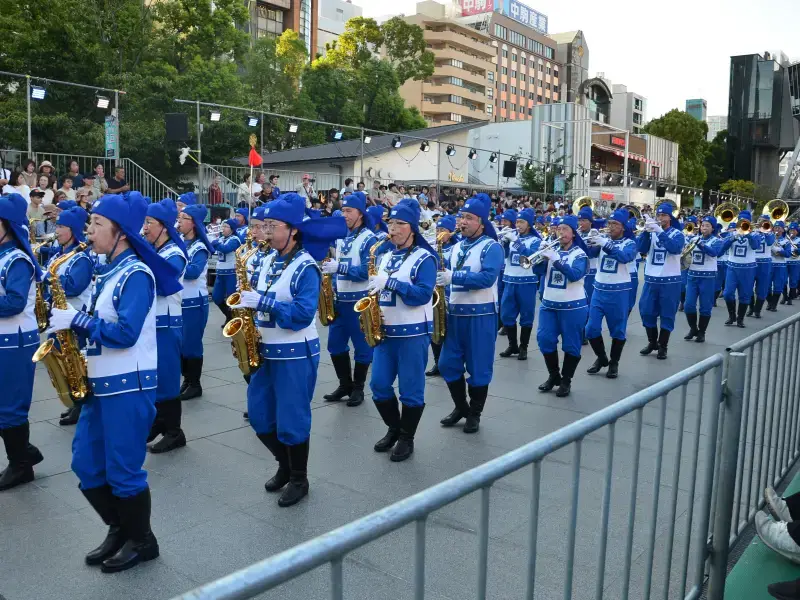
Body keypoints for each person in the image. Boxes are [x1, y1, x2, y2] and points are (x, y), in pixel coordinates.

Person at [47, 192, 182, 573]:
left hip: (128, 384)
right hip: (99, 383)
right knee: (86, 465)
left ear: (120, 233)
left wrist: (76, 321)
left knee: (123, 469)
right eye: (89, 225)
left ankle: (142, 540)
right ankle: (120, 528)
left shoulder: (137, 273)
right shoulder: (107, 269)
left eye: (96, 225)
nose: (88, 232)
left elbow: (125, 333)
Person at [230, 193, 346, 507]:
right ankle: (285, 464)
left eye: (271, 226)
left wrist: (263, 302)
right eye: (263, 225)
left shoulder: (306, 266)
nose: (264, 231)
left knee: (292, 419)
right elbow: (256, 298)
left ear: (292, 230)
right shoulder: (267, 258)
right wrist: (245, 311)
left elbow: (301, 315)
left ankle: (298, 477)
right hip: (266, 350)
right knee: (259, 416)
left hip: (295, 352)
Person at [364, 199, 437, 461]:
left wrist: (391, 283)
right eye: (390, 223)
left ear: (413, 228)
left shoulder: (425, 258)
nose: (392, 228)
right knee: (379, 385)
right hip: (385, 333)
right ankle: (394, 428)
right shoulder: (384, 256)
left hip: (413, 334)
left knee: (410, 389)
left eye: (399, 224)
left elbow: (422, 295)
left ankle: (407, 437)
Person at [437, 193, 503, 433]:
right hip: (455, 315)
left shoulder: (492, 246)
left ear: (481, 223)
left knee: (479, 366)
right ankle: (461, 407)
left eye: (468, 218)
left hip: (481, 316)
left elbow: (487, 278)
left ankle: (474, 413)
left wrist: (454, 276)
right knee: (447, 364)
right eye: (461, 217)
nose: (462, 222)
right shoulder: (455, 247)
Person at [0, 193, 44, 490]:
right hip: (5, 339)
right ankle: (24, 453)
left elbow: (15, 302)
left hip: (15, 341)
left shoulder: (16, 259)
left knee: (10, 406)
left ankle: (20, 465)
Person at [321, 191, 378, 407]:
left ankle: (358, 388)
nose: (344, 214)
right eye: (343, 210)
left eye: (348, 211)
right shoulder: (341, 236)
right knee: (335, 345)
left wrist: (339, 268)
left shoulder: (369, 238)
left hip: (360, 300)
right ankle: (344, 384)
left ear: (360, 213)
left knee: (362, 347)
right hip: (340, 300)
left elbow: (367, 271)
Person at [142, 199, 188, 453]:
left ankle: (175, 432)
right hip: (153, 322)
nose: (145, 228)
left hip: (167, 322)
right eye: (145, 222)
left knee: (168, 377)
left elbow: (161, 283)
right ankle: (160, 422)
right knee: (157, 376)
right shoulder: (155, 250)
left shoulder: (174, 253)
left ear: (164, 227)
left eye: (149, 223)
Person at [46, 207, 93, 427]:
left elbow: (75, 287)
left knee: (75, 363)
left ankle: (82, 405)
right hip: (58, 317)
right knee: (64, 364)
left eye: (62, 226)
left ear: (73, 230)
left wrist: (49, 279)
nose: (57, 230)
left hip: (75, 316)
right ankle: (74, 402)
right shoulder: (58, 254)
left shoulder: (81, 258)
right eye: (57, 225)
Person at [535, 216, 589, 397]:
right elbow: (537, 271)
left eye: (565, 229)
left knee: (571, 345)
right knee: (544, 339)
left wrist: (556, 260)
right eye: (559, 229)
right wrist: (542, 258)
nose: (561, 232)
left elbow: (574, 275)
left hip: (573, 306)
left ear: (573, 233)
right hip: (549, 304)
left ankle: (566, 380)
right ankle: (554, 375)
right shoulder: (552, 250)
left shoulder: (580, 254)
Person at [583, 208, 637, 378]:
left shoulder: (630, 243)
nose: (611, 227)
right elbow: (589, 253)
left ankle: (614, 363)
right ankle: (601, 357)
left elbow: (624, 257)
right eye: (610, 223)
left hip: (619, 291)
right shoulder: (603, 239)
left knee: (618, 330)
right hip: (599, 289)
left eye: (615, 224)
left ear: (623, 227)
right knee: (591, 329)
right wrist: (587, 240)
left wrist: (605, 244)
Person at [637, 202, 686, 359]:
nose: (660, 218)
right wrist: (645, 231)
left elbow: (675, 248)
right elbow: (641, 249)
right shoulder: (651, 232)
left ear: (670, 217)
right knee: (646, 311)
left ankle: (663, 345)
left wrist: (659, 231)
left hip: (670, 280)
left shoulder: (678, 234)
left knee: (667, 314)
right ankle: (652, 342)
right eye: (658, 215)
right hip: (651, 278)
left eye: (664, 215)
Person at [176, 204, 213, 401]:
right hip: (181, 300)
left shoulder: (200, 247)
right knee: (181, 344)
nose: (179, 222)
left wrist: (171, 265)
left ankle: (195, 383)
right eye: (179, 218)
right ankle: (187, 379)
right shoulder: (180, 242)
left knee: (191, 343)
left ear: (194, 223)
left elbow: (192, 272)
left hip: (194, 302)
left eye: (184, 218)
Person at [498, 208, 542, 361]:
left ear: (529, 224)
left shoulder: (536, 240)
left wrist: (515, 242)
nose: (518, 225)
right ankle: (513, 345)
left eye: (521, 222)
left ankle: (524, 347)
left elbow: (532, 257)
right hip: (510, 280)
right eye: (517, 221)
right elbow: (502, 257)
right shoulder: (512, 237)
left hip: (527, 282)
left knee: (526, 315)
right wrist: (503, 243)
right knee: (506, 314)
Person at [683, 216, 724, 343]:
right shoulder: (694, 238)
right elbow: (685, 253)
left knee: (705, 306)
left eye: (707, 225)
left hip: (708, 276)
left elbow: (713, 253)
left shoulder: (716, 241)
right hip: (692, 275)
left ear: (712, 228)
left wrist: (700, 244)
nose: (704, 228)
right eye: (702, 225)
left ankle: (702, 332)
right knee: (688, 305)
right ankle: (693, 328)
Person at [426, 215, 458, 377]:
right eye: (437, 230)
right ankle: (438, 362)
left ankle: (450, 362)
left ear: (451, 232)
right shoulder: (432, 247)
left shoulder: (456, 248)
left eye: (442, 230)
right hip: (435, 292)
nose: (438, 233)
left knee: (450, 331)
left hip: (450, 293)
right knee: (435, 330)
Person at [719, 211, 762, 328]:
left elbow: (755, 246)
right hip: (732, 267)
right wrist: (733, 237)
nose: (742, 225)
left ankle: (740, 318)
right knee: (728, 293)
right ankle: (731, 316)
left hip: (748, 268)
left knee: (745, 295)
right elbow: (722, 247)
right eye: (741, 222)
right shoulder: (732, 234)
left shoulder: (756, 234)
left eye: (745, 223)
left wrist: (748, 234)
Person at [210, 218, 242, 325]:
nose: (223, 228)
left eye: (226, 227)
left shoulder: (235, 239)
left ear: (232, 229)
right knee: (216, 297)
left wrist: (213, 242)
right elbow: (213, 250)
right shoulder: (220, 238)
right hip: (220, 273)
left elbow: (226, 249)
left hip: (231, 273)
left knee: (232, 299)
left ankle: (233, 320)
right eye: (223, 226)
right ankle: (229, 316)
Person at [749, 217, 775, 318]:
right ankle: (751, 307)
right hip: (752, 262)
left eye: (764, 222)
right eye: (760, 221)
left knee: (762, 287)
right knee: (748, 286)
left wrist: (766, 231)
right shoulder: (753, 232)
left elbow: (769, 242)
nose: (762, 224)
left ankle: (757, 309)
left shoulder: (770, 234)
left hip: (765, 263)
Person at [786, 222, 800, 304]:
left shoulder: (799, 240)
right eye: (791, 230)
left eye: (794, 230)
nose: (792, 232)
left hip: (795, 262)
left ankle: (791, 296)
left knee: (793, 280)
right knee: (783, 280)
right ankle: (785, 296)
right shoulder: (786, 239)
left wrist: (797, 250)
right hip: (786, 261)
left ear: (797, 232)